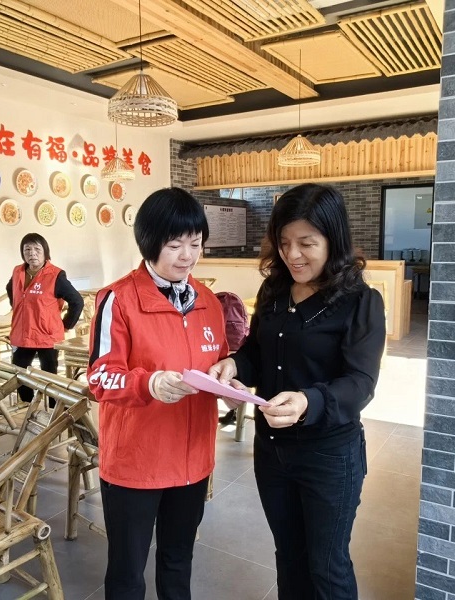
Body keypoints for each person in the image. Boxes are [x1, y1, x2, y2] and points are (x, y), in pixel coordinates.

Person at [208, 183, 386, 600]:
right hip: (272, 451)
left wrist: (308, 400)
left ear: (333, 240)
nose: (293, 255)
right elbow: (257, 352)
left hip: (329, 455)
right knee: (288, 556)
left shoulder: (360, 302)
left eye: (307, 243)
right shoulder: (274, 291)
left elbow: (361, 383)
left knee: (327, 567)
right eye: (284, 242)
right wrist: (234, 364)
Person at [87, 187, 228, 600]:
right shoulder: (118, 299)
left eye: (195, 244)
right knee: (128, 572)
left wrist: (229, 379)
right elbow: (100, 378)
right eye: (174, 245)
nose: (187, 256)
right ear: (149, 243)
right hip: (137, 461)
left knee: (178, 560)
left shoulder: (208, 302)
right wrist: (148, 383)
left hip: (192, 460)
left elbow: (218, 362)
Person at [6, 232, 84, 402]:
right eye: (27, 249)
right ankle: (27, 406)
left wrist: (66, 324)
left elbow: (77, 301)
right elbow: (10, 289)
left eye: (37, 249)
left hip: (46, 334)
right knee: (19, 373)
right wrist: (18, 307)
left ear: (45, 251)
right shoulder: (18, 272)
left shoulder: (55, 275)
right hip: (22, 333)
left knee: (49, 376)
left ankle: (53, 409)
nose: (32, 253)